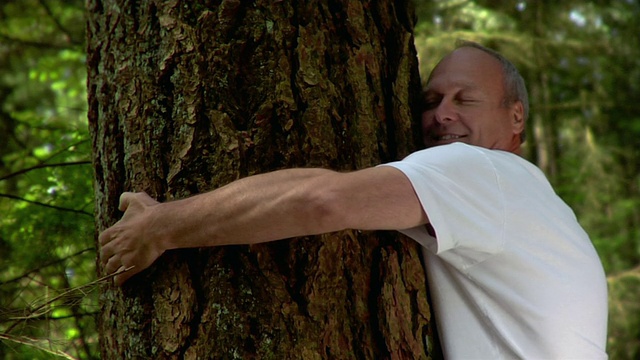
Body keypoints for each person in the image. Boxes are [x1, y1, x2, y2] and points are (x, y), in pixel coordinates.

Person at [99, 41, 608, 359]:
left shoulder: (484, 170)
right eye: (430, 102)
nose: (442, 116)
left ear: (515, 118)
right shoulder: (533, 200)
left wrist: (161, 226)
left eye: (465, 99)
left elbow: (323, 201)